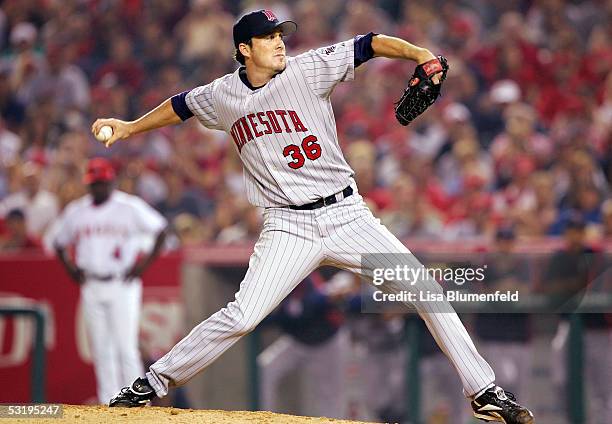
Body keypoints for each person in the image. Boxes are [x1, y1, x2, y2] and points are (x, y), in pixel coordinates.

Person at [94, 10, 533, 423]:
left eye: (281, 34)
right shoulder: (223, 94)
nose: (280, 43)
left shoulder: (306, 69)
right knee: (242, 316)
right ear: (244, 49)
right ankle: (151, 382)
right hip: (289, 226)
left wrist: (419, 54)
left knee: (424, 288)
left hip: (347, 215)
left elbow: (370, 43)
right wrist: (130, 127)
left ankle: (484, 391)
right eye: (268, 37)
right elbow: (181, 105)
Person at [47, 158, 168, 404]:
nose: (99, 187)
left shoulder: (128, 206)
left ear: (111, 181)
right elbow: (58, 243)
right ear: (88, 185)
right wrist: (71, 270)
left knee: (126, 346)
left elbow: (161, 229)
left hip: (121, 283)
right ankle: (109, 401)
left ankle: (135, 402)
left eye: (102, 182)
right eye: (95, 183)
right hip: (91, 284)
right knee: (102, 349)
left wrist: (142, 266)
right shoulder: (77, 211)